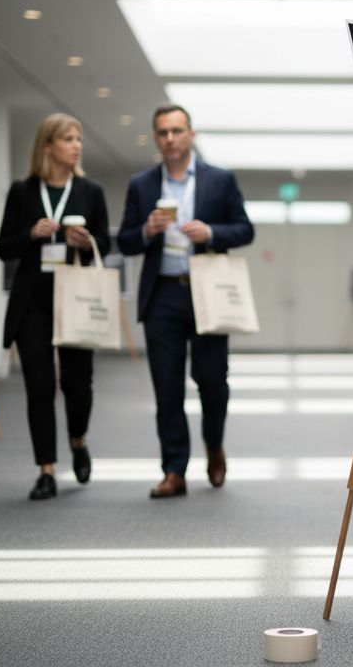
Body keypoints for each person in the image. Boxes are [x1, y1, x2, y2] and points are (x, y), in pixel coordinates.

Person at [118, 104, 253, 498]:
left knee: (212, 381)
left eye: (177, 131)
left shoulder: (219, 180)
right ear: (155, 138)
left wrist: (210, 232)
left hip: (208, 291)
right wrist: (146, 229)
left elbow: (245, 229)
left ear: (191, 135)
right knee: (167, 386)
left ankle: (214, 445)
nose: (170, 138)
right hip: (162, 293)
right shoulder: (142, 184)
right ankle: (174, 470)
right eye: (163, 132)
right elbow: (124, 241)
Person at [0, 113, 110, 501]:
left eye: (79, 138)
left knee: (78, 384)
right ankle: (46, 469)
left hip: (76, 295)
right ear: (48, 146)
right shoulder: (23, 191)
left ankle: (78, 439)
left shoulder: (90, 191)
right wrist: (30, 234)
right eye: (68, 138)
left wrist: (85, 242)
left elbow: (105, 248)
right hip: (34, 303)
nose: (77, 145)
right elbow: (2, 247)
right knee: (39, 387)